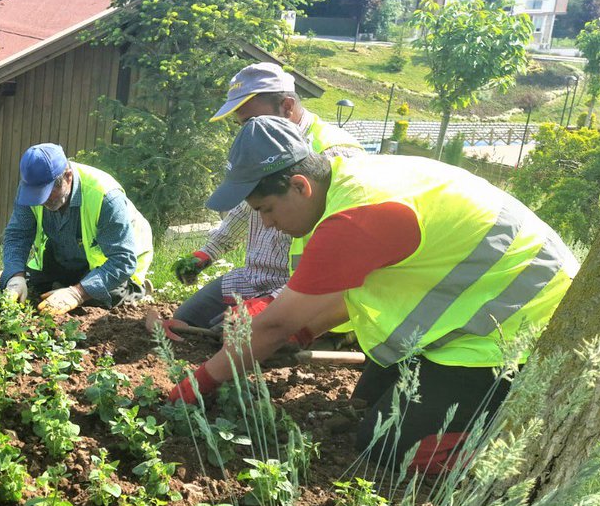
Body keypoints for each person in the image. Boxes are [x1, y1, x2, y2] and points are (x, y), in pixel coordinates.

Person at [171, 116, 578, 474]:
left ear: (299, 186)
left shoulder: (354, 218)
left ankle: (522, 440)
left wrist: (198, 383)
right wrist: (303, 329)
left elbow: (274, 326)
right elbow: (343, 294)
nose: (268, 224)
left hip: (525, 327)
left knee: (388, 445)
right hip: (479, 306)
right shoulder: (344, 183)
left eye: (266, 210)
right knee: (368, 401)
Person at [158, 63, 363, 339]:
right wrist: (209, 252)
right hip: (252, 276)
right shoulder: (261, 143)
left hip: (302, 289)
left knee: (232, 340)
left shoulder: (334, 153)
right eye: (241, 124)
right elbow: (248, 206)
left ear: (287, 107)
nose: (246, 130)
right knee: (187, 322)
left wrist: (275, 304)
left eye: (250, 121)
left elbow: (344, 262)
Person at [0, 143, 153, 316]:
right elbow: (17, 234)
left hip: (112, 264)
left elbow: (123, 260)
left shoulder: (106, 196)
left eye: (48, 192)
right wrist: (15, 275)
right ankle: (67, 284)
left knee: (105, 296)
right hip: (64, 255)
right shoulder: (29, 190)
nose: (41, 200)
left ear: (68, 176)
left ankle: (137, 291)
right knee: (30, 290)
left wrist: (77, 293)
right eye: (36, 194)